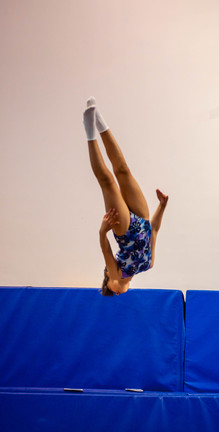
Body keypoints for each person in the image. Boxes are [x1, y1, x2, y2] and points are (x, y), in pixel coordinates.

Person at [83, 97, 168, 296]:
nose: (118, 292)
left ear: (108, 277)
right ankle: (100, 122)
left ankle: (90, 130)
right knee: (123, 170)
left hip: (125, 229)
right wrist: (162, 206)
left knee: (107, 181)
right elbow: (153, 230)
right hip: (143, 217)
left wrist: (102, 232)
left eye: (114, 290)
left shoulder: (117, 274)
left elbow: (106, 252)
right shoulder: (148, 264)